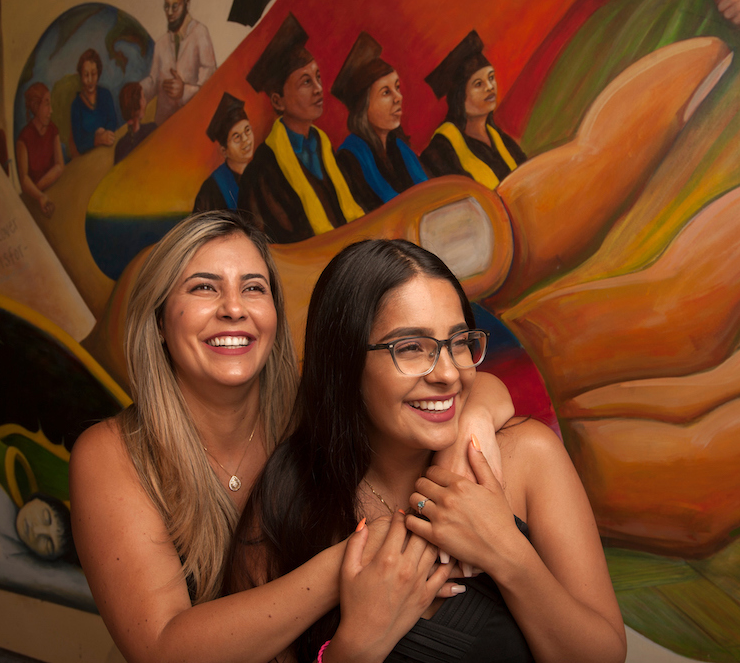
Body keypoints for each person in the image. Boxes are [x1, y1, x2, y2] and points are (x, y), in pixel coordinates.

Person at [70, 212, 514, 662]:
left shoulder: (309, 411)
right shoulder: (111, 454)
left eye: (253, 288)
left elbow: (470, 386)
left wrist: (465, 442)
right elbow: (161, 651)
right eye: (204, 287)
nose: (234, 308)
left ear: (275, 316)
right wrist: (348, 565)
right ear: (160, 320)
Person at [225, 239, 626, 662]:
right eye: (411, 348)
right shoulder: (289, 497)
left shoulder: (528, 457)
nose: (450, 373)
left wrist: (506, 553)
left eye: (458, 342)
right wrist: (357, 645)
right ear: (344, 362)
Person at [239, 13, 365, 244]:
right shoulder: (262, 171)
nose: (319, 89)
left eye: (318, 77)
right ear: (278, 101)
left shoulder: (326, 151)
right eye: (306, 82)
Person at [332, 32, 428, 212]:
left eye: (397, 88)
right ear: (363, 106)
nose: (398, 97)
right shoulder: (350, 158)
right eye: (386, 92)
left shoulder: (399, 148)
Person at [420, 31, 527, 190]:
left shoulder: (501, 139)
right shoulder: (441, 151)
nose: (490, 87)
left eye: (491, 78)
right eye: (478, 84)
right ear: (459, 96)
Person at [140, 0, 217, 126]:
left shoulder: (200, 33)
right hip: (163, 128)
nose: (169, 12)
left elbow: (210, 87)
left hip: (191, 124)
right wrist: (139, 91)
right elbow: (154, 82)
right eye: (166, 6)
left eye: (175, 6)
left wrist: (184, 92)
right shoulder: (161, 44)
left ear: (187, 4)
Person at [193, 92, 253, 212]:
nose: (246, 139)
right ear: (224, 150)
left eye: (247, 130)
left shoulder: (263, 173)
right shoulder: (211, 189)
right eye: (236, 137)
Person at [17, 82, 64, 217]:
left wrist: (38, 188)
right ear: (35, 107)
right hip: (34, 201)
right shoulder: (23, 138)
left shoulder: (53, 130)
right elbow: (24, 179)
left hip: (51, 192)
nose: (51, 110)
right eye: (47, 104)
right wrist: (39, 196)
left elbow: (60, 165)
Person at [70, 49, 118, 155]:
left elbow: (113, 121)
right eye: (86, 75)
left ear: (99, 73)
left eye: (93, 74)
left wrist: (105, 133)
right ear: (81, 76)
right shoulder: (76, 106)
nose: (90, 80)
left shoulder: (106, 95)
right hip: (89, 159)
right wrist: (96, 139)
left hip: (109, 149)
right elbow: (79, 143)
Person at [114, 82, 156, 164]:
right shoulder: (151, 130)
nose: (145, 102)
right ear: (135, 104)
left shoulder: (120, 146)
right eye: (143, 98)